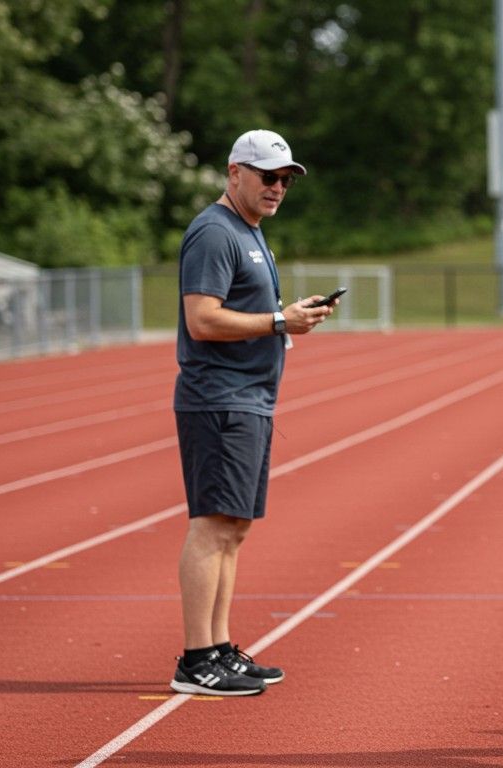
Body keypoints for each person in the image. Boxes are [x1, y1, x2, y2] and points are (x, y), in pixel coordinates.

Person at [170, 130, 334, 696]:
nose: (278, 188)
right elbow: (202, 319)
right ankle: (195, 658)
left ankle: (217, 646)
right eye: (268, 177)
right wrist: (277, 322)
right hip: (220, 399)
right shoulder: (215, 232)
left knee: (233, 529)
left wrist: (285, 318)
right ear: (233, 172)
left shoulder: (248, 232)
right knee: (213, 524)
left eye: (286, 179)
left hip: (249, 399)